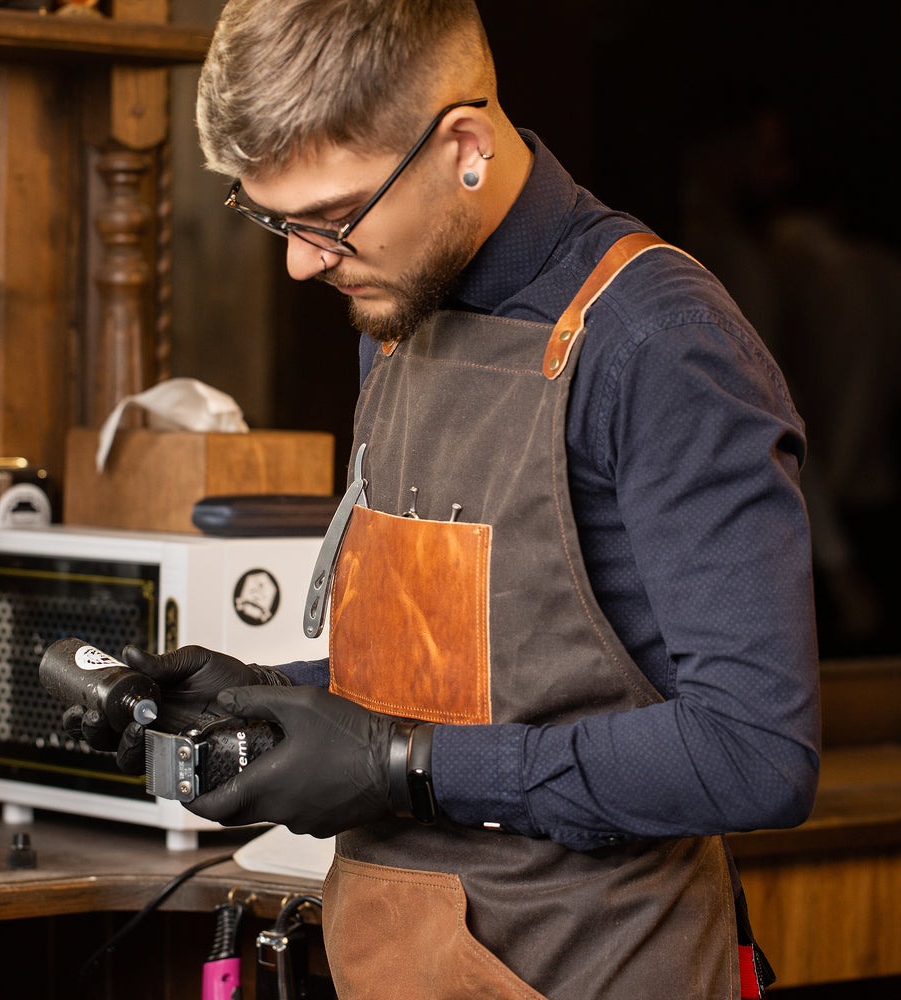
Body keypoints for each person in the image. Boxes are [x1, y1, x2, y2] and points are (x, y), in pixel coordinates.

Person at [66, 3, 820, 998]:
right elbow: (490, 673)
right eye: (271, 218)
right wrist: (274, 698)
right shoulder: (400, 304)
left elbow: (754, 754)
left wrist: (401, 766)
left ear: (463, 146)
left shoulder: (660, 345)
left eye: (331, 217)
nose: (300, 259)